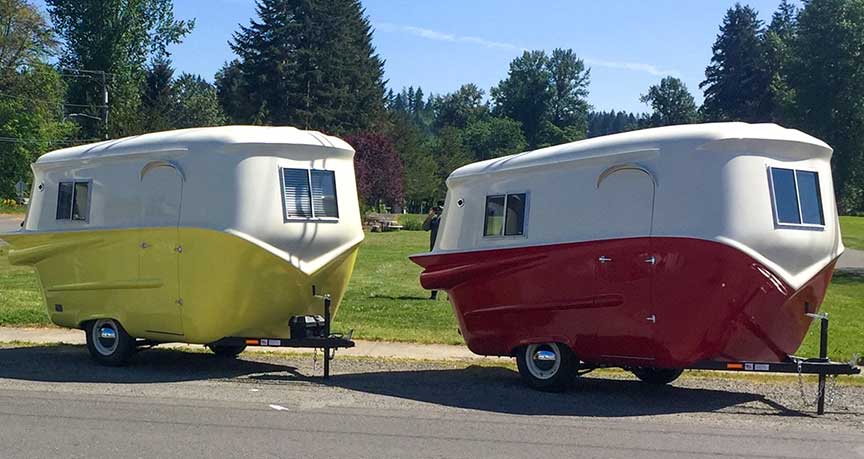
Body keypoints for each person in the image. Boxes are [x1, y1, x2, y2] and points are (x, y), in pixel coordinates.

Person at [422, 202, 443, 300]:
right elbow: (425, 227)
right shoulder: (434, 220)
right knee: (434, 272)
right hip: (434, 248)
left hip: (445, 249)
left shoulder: (447, 218)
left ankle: (449, 295)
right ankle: (433, 295)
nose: (438, 210)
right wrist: (430, 216)